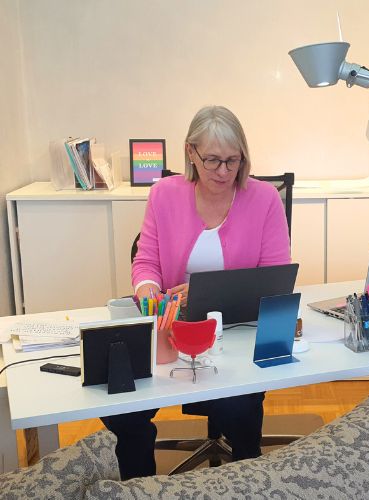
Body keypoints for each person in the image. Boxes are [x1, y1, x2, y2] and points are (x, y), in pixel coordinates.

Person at [101, 105, 290, 479]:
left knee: (239, 405)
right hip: (172, 327)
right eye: (212, 161)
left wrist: (209, 294)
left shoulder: (264, 198)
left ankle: (246, 478)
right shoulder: (164, 194)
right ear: (190, 153)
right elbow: (146, 262)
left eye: (233, 161)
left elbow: (274, 278)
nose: (223, 172)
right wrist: (150, 292)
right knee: (122, 407)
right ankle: (141, 486)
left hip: (237, 330)